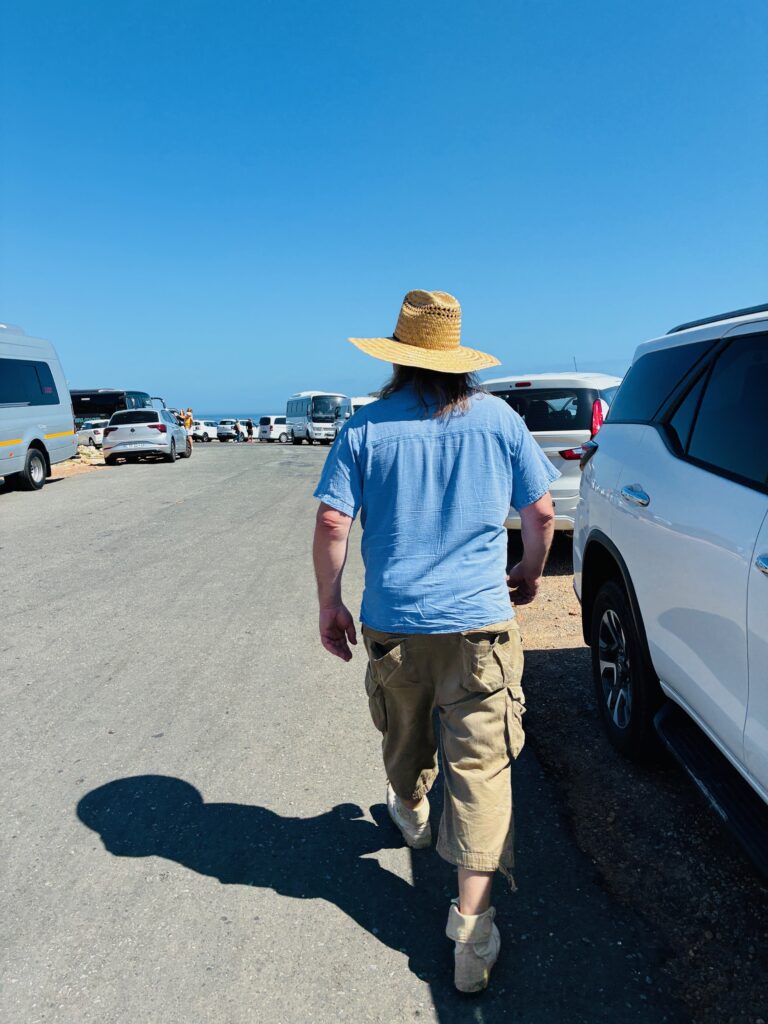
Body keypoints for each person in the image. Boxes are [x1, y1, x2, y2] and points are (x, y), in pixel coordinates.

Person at [312, 290, 558, 994]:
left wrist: (330, 605)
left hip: (395, 624)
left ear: (398, 357)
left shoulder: (365, 427)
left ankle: (412, 807)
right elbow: (540, 513)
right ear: (456, 359)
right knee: (482, 772)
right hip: (480, 624)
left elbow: (334, 525)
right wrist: (528, 573)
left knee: (403, 732)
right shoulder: (501, 421)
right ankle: (471, 936)